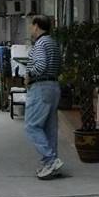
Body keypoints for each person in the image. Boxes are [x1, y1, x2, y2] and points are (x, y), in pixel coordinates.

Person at [24, 14, 64, 179]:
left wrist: (29, 74)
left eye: (31, 25)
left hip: (40, 87)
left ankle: (51, 159)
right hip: (53, 86)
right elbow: (59, 65)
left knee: (32, 126)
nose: (30, 29)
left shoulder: (40, 44)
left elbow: (40, 66)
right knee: (49, 128)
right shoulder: (53, 42)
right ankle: (51, 164)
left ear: (36, 26)